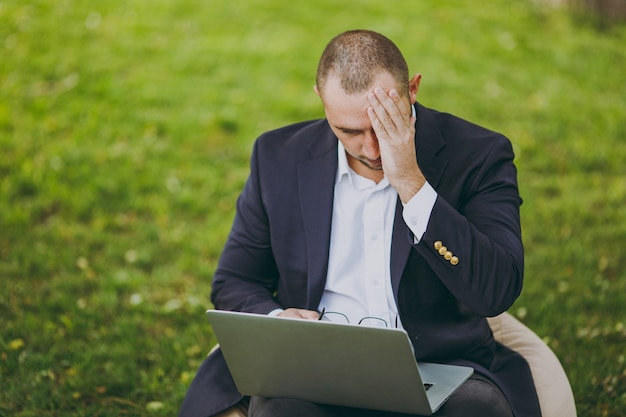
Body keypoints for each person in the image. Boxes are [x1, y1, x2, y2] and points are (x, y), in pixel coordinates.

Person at [179, 30, 541, 417]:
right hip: (311, 372)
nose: (372, 150)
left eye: (384, 124)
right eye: (349, 131)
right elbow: (235, 281)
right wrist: (279, 319)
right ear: (321, 99)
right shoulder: (277, 156)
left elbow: (496, 291)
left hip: (441, 367)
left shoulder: (480, 154)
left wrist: (412, 185)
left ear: (413, 89)